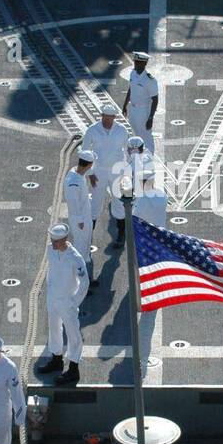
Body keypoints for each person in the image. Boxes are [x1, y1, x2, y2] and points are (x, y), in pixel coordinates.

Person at [36, 224, 89, 386]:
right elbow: (51, 270)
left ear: (65, 239)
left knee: (73, 334)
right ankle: (57, 359)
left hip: (67, 300)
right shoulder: (50, 250)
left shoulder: (75, 258)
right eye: (52, 240)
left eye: (56, 241)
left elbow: (84, 282)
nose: (53, 244)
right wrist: (50, 289)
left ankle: (73, 368)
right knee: (53, 328)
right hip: (53, 298)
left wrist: (74, 301)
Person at [130, 164, 167, 377]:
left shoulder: (142, 201)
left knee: (141, 273)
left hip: (144, 242)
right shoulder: (161, 196)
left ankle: (145, 297)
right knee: (156, 270)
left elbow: (133, 218)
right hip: (159, 239)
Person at [81, 105, 131, 248]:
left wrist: (124, 172)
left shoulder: (122, 130)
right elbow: (85, 151)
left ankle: (121, 235)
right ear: (101, 115)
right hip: (99, 171)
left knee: (119, 203)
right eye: (105, 116)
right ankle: (88, 236)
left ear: (114, 117)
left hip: (116, 172)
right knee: (95, 203)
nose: (107, 120)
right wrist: (90, 173)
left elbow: (126, 152)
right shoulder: (92, 130)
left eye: (110, 117)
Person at [64, 149, 97, 285]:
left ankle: (87, 279)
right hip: (80, 221)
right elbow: (74, 205)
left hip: (84, 217)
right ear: (89, 164)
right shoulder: (73, 182)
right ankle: (81, 282)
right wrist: (81, 222)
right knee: (80, 251)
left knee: (85, 249)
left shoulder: (78, 174)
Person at [121, 51, 159, 156]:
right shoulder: (133, 73)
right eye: (135, 62)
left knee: (146, 135)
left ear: (144, 63)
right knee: (135, 133)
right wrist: (125, 105)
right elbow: (131, 89)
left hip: (144, 111)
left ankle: (150, 156)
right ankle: (139, 155)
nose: (136, 64)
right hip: (133, 109)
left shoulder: (150, 80)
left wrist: (150, 118)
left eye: (138, 63)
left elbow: (155, 99)